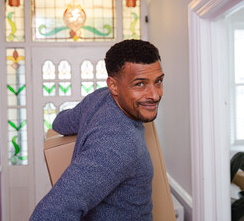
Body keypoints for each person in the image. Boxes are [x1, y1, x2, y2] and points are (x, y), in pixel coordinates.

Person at [30, 39, 164, 221]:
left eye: (158, 81)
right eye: (140, 84)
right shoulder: (117, 144)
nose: (155, 95)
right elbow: (50, 214)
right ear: (114, 86)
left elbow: (60, 123)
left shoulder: (100, 97)